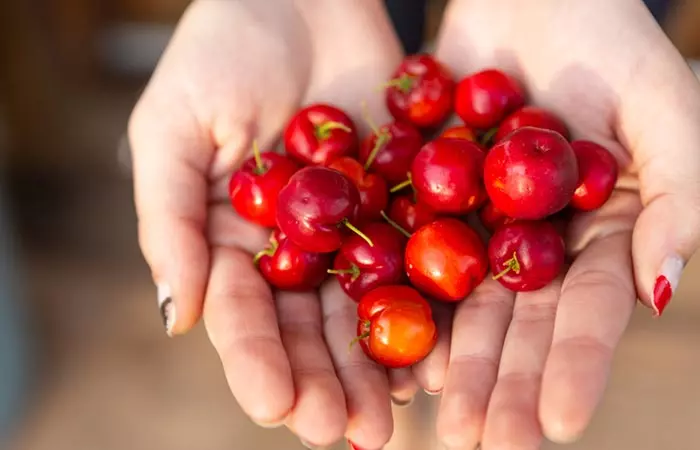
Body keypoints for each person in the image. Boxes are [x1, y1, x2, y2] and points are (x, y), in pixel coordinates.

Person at [127, 1, 700, 449]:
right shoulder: (375, 198)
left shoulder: (465, 185)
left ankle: (416, 424)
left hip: (443, 204)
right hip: (407, 206)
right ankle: (407, 428)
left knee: (417, 373)